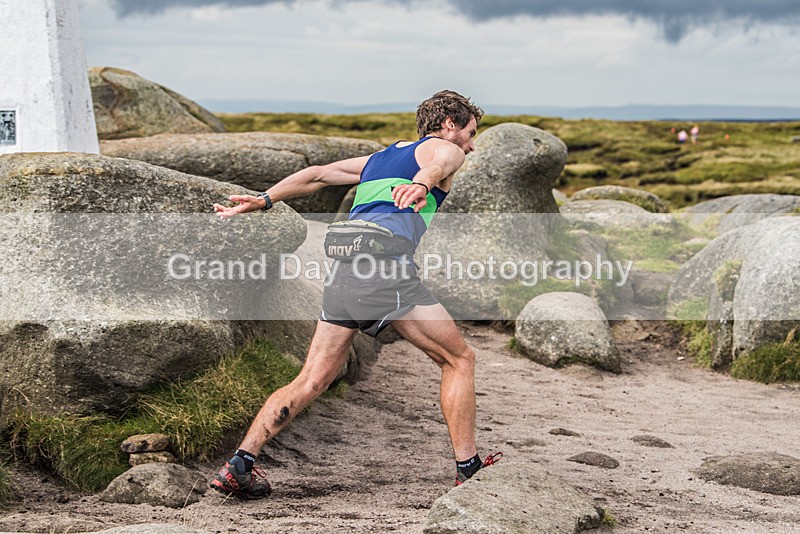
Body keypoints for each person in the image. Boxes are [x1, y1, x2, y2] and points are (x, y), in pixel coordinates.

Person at [210, 90, 501, 500]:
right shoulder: (442, 148)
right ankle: (469, 469)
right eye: (470, 133)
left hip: (344, 273)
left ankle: (239, 463)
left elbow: (316, 174)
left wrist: (264, 198)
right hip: (384, 267)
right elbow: (442, 162)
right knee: (459, 359)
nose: (470, 145)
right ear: (449, 124)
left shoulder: (377, 160)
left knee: (312, 380)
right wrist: (422, 183)